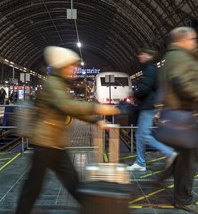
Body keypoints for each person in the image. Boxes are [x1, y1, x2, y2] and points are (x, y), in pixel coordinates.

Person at [15, 46, 120, 214]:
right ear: (62, 65)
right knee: (35, 186)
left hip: (55, 142)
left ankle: (91, 210)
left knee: (72, 182)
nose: (74, 69)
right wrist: (97, 109)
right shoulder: (52, 83)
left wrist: (95, 121)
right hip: (44, 142)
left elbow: (71, 109)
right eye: (72, 66)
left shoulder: (60, 84)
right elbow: (67, 106)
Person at [156, 27, 198, 214]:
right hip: (187, 118)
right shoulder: (180, 58)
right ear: (182, 40)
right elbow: (184, 83)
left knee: (183, 159)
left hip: (178, 118)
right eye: (193, 39)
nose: (196, 42)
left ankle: (161, 182)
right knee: (188, 162)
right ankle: (183, 200)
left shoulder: (171, 58)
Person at [127, 46, 177, 171]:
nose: (140, 56)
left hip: (148, 106)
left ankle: (170, 153)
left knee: (144, 135)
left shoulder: (150, 69)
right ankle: (140, 163)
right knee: (140, 135)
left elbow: (145, 88)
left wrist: (133, 94)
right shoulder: (149, 69)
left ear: (149, 56)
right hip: (147, 105)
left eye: (142, 54)